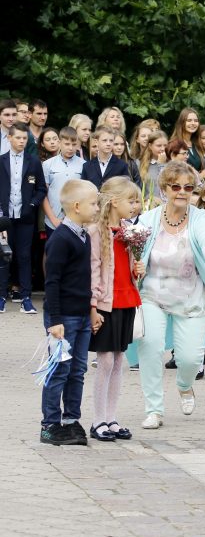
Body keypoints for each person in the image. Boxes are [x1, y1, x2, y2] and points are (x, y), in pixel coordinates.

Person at [136, 161, 205, 428]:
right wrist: (135, 265)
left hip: (192, 296)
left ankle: (185, 386)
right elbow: (133, 253)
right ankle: (154, 409)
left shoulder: (199, 219)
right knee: (150, 348)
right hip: (153, 294)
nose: (182, 192)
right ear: (165, 189)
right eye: (176, 186)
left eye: (189, 187)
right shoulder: (148, 219)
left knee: (190, 359)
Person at [39, 179, 99, 445]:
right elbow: (51, 281)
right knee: (59, 371)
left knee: (77, 370)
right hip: (64, 319)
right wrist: (55, 320)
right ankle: (50, 424)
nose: (97, 208)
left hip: (82, 315)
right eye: (94, 203)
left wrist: (91, 310)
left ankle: (71, 420)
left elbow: (83, 278)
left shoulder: (83, 234)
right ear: (76, 206)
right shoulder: (61, 238)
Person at [87, 177, 143, 441]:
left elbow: (128, 265)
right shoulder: (97, 232)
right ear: (114, 201)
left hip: (126, 298)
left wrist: (137, 269)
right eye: (131, 201)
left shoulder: (129, 229)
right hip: (106, 302)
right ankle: (97, 419)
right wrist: (93, 305)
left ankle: (111, 417)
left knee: (120, 359)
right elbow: (94, 271)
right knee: (105, 360)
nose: (135, 205)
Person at [0, 122, 47, 314]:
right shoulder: (1, 160)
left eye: (24, 138)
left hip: (25, 216)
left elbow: (41, 188)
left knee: (25, 256)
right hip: (4, 217)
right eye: (17, 137)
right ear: (9, 138)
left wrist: (32, 204)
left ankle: (26, 297)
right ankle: (2, 296)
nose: (21, 141)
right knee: (3, 256)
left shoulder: (33, 161)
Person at [42, 127, 85, 232]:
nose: (70, 148)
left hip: (76, 220)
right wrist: (53, 219)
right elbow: (43, 194)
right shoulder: (47, 164)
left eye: (74, 145)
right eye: (67, 144)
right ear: (59, 142)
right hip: (53, 220)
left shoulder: (84, 165)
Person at [137, 130, 169, 203]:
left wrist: (161, 164)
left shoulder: (171, 164)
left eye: (165, 145)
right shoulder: (139, 163)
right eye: (159, 146)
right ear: (150, 146)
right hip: (148, 204)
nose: (162, 149)